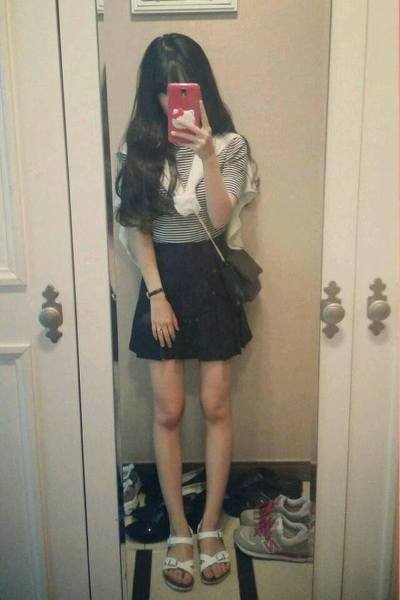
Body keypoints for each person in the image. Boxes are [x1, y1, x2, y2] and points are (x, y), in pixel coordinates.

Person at [114, 33, 260, 592]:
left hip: (210, 277)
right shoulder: (138, 148)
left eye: (181, 89)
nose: (171, 102)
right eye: (163, 90)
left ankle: (210, 526)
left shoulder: (229, 144)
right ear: (152, 92)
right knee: (169, 411)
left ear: (200, 88)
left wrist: (207, 157)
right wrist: (156, 295)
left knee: (216, 405)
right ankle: (178, 528)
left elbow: (220, 220)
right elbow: (137, 228)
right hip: (163, 281)